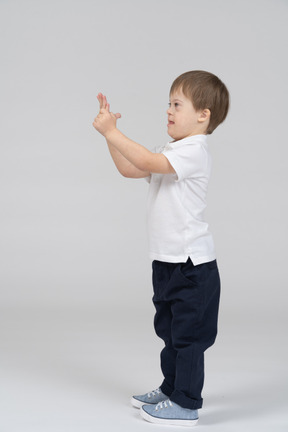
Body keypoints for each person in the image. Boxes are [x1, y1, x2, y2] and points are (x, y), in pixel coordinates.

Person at [92, 70, 230, 427]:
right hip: (167, 263)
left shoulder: (195, 151)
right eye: (168, 103)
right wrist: (110, 138)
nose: (168, 110)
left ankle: (187, 403)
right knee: (168, 333)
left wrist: (113, 131)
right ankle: (172, 389)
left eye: (177, 104)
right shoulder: (172, 150)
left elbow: (149, 163)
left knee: (188, 338)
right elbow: (130, 167)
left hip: (192, 266)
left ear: (203, 115)